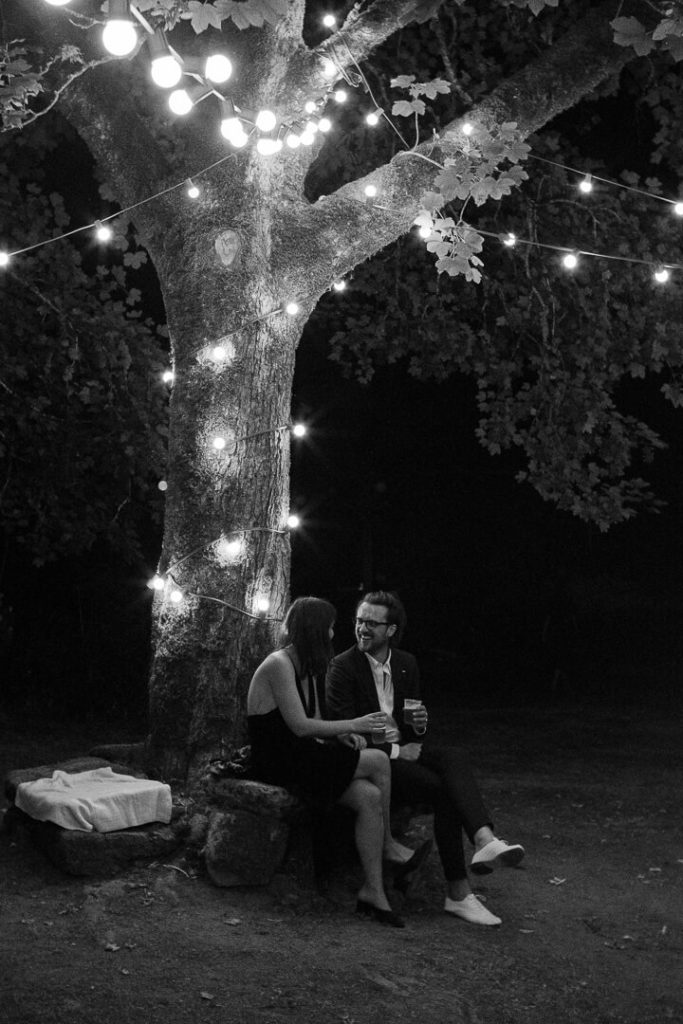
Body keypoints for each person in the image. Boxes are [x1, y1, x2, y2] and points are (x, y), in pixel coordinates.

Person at [326, 590, 525, 927]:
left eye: (372, 623)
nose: (362, 628)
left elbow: (413, 732)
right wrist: (396, 750)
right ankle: (459, 892)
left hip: (403, 752)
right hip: (374, 765)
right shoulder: (342, 668)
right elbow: (346, 738)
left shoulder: (406, 664)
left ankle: (484, 840)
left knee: (454, 757)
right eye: (359, 621)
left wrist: (419, 725)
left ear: (390, 630)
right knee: (445, 790)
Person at [247, 596, 418, 928]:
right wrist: (355, 725)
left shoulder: (308, 665)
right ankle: (388, 846)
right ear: (313, 629)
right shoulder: (279, 664)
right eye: (328, 627)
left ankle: (373, 891)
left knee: (369, 797)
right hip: (278, 762)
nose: (331, 634)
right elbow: (299, 726)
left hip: (302, 755)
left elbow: (313, 722)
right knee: (379, 760)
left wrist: (339, 737)